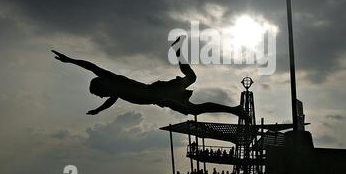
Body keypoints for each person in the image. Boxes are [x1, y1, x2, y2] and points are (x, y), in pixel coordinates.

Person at [51, 36, 246, 118]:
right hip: (162, 99)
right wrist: (98, 110)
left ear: (102, 86)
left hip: (160, 92)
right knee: (193, 109)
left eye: (99, 95)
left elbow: (91, 66)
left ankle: (177, 50)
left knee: (191, 81)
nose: (102, 97)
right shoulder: (115, 92)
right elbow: (110, 102)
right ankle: (235, 110)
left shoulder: (113, 81)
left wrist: (70, 60)